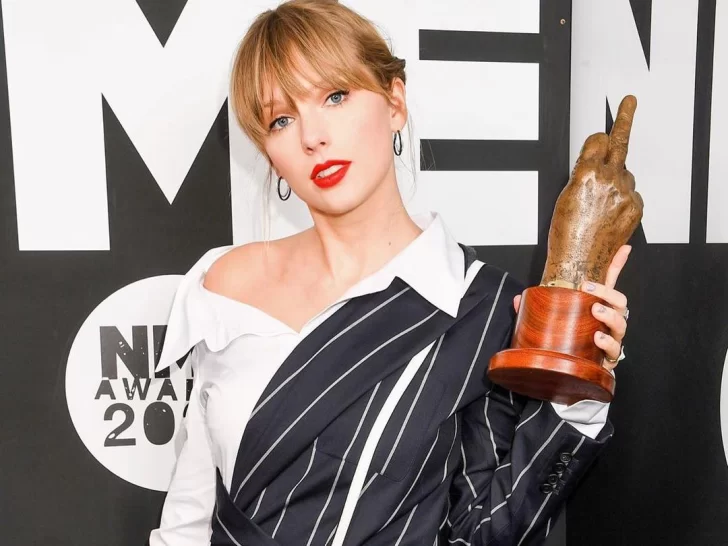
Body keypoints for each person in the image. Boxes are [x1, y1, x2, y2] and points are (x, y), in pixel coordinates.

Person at [149, 1, 631, 544]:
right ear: (267, 152)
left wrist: (576, 387)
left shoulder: (482, 309)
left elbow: (486, 532)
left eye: (335, 96)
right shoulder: (225, 284)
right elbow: (189, 518)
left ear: (394, 101)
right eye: (281, 119)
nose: (312, 136)